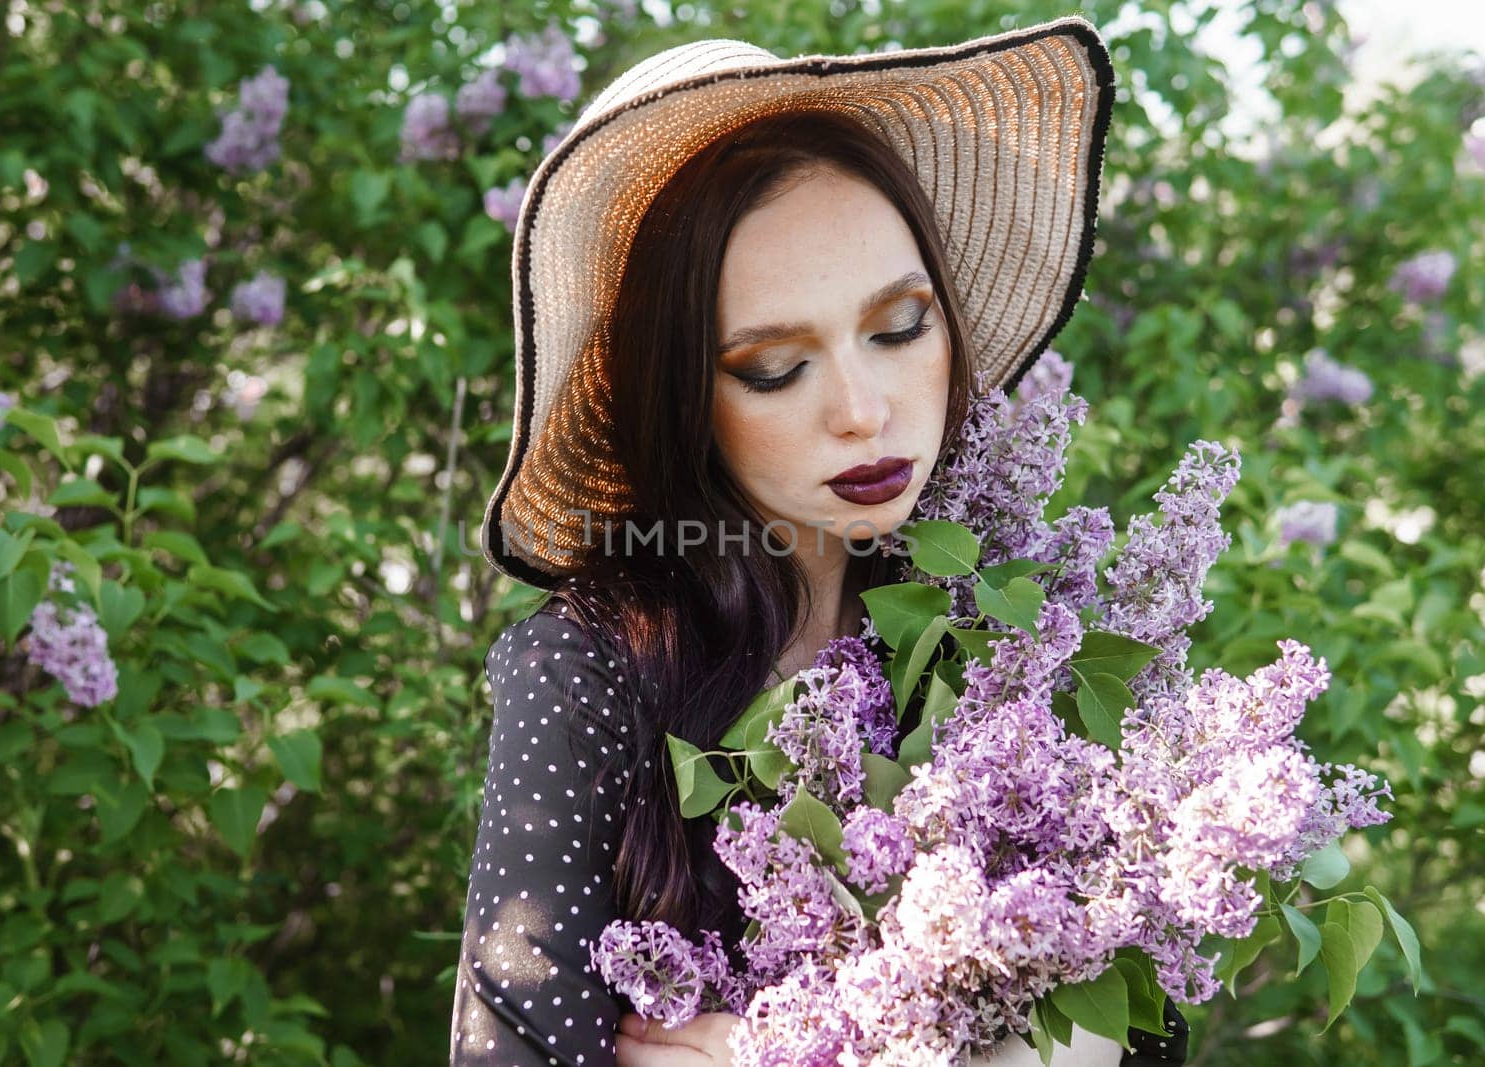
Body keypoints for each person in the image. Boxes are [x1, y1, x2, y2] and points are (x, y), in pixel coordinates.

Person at [451, 19, 1191, 1067]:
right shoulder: (591, 668)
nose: (861, 409)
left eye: (898, 329)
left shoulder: (1024, 631)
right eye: (771, 367)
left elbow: (1146, 1024)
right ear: (683, 393)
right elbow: (511, 1046)